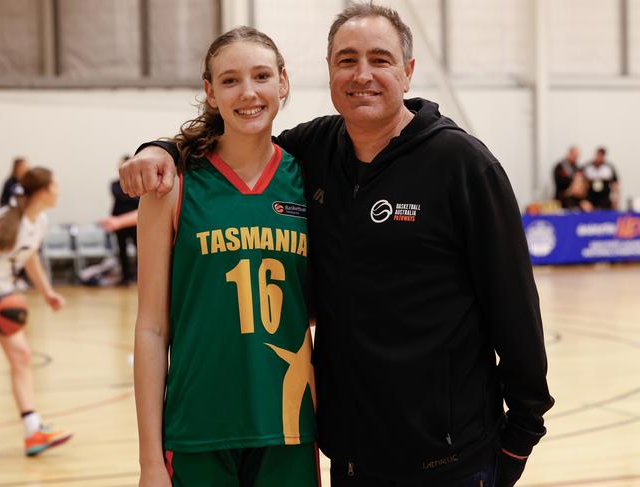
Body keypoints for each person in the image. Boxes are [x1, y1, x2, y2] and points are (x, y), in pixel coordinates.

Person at [121, 4, 554, 486]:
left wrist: (523, 430)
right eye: (347, 60)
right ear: (328, 72)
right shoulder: (315, 153)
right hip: (343, 451)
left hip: (442, 456)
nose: (362, 74)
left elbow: (515, 306)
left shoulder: (461, 165)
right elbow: (232, 141)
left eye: (380, 59)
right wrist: (158, 149)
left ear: (408, 72)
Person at [133, 27, 318, 487]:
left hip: (288, 426)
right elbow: (152, 328)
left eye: (261, 76)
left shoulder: (311, 179)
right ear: (210, 92)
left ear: (283, 83)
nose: (248, 92)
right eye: (230, 80)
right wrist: (149, 461)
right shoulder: (171, 184)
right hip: (199, 427)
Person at [0, 167, 72, 456]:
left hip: (1, 296)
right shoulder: (3, 223)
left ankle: (33, 430)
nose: (59, 190)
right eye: (56, 185)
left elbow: (30, 258)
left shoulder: (38, 221)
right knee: (21, 357)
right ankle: (33, 429)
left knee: (21, 356)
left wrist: (47, 291)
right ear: (43, 191)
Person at [100, 156, 139, 285]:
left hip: (135, 222)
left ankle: (139, 275)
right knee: (121, 250)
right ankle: (125, 276)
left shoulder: (139, 183)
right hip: (118, 223)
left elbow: (137, 200)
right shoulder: (115, 184)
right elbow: (124, 196)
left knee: (139, 249)